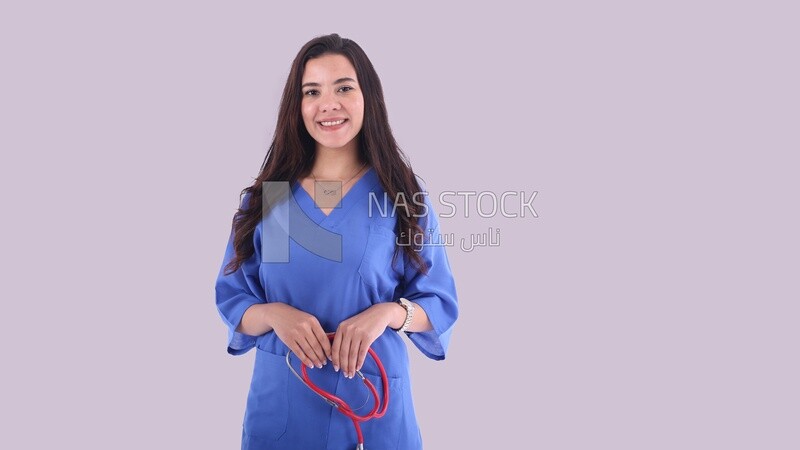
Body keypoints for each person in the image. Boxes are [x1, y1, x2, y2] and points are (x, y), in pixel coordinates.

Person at [215, 33, 459, 450]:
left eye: (344, 87)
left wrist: (387, 313)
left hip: (373, 406)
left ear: (369, 97)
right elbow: (235, 302)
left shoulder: (401, 195)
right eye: (313, 92)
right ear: (298, 106)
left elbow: (438, 304)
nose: (329, 104)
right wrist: (275, 313)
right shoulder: (271, 198)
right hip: (285, 411)